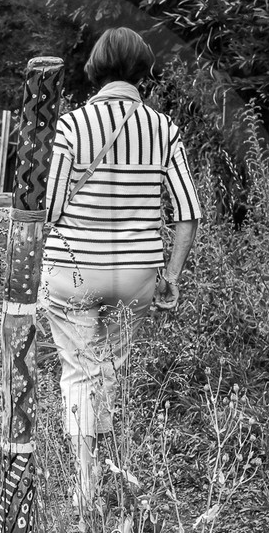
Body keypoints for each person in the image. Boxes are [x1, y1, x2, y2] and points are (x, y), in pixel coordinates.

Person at [42, 26, 204, 505]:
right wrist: (170, 277)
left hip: (73, 272)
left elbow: (48, 209)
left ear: (96, 69)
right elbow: (189, 212)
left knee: (79, 370)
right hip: (136, 275)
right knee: (108, 368)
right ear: (142, 71)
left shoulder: (71, 127)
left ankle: (85, 485)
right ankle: (107, 465)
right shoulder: (164, 129)